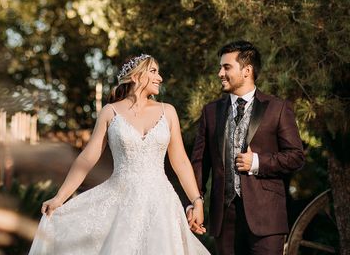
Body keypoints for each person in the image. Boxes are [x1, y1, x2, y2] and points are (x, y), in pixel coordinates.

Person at [28, 54, 210, 254]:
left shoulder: (168, 112)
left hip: (161, 203)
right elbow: (87, 158)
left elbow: (181, 162)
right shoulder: (110, 112)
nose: (160, 78)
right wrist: (60, 198)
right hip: (121, 202)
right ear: (135, 76)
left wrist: (196, 201)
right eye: (153, 71)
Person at [187, 41, 305, 254]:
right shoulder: (210, 112)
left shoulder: (277, 108)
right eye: (220, 67)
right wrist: (194, 202)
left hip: (267, 218)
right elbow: (199, 163)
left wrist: (258, 162)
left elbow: (296, 157)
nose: (220, 73)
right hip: (224, 219)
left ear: (247, 70)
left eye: (226, 67)